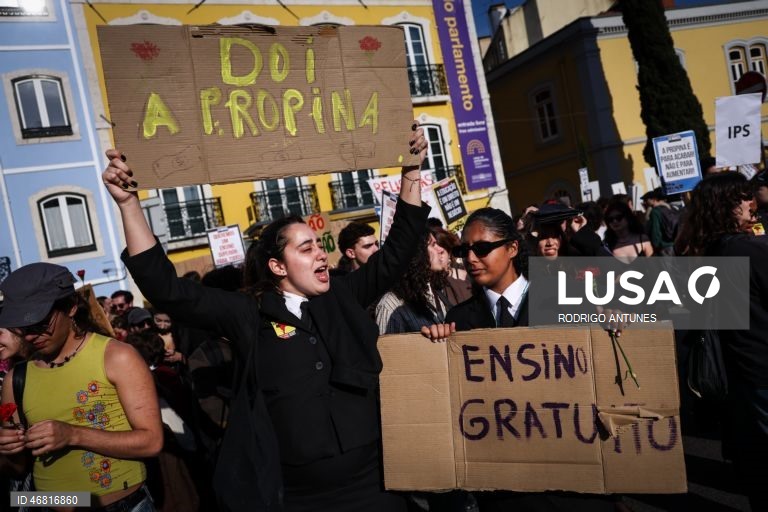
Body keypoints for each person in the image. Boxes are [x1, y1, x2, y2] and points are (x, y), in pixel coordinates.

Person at [102, 123, 430, 512]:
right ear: (277, 266)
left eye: (320, 247)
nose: (321, 255)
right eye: (306, 248)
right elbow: (166, 290)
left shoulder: (343, 295)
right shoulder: (247, 313)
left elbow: (397, 251)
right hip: (298, 498)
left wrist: (411, 172)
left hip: (376, 487)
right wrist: (128, 204)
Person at [423, 208, 618, 512]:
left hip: (574, 483)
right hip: (505, 491)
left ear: (512, 248)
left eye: (483, 248)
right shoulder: (458, 320)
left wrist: (614, 323)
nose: (471, 258)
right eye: (464, 250)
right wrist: (436, 347)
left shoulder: (567, 300)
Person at [0, 263, 162, 511]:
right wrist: (8, 451)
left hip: (122, 505)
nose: (31, 336)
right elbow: (17, 469)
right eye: (22, 328)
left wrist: (73, 434)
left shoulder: (117, 357)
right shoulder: (17, 378)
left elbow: (152, 442)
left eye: (40, 323)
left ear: (72, 307)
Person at [678, 172, 768, 511]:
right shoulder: (750, 249)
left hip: (736, 376)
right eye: (743, 196)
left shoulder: (707, 253)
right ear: (725, 206)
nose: (751, 201)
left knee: (757, 466)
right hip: (760, 368)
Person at [375, 232, 451, 334]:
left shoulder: (436, 288)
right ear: (417, 253)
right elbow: (386, 348)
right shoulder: (390, 304)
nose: (441, 249)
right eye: (433, 245)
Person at [641, 188, 680, 255]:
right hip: (675, 242)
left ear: (653, 200)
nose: (644, 202)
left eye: (646, 200)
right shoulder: (670, 207)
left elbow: (655, 231)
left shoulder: (655, 211)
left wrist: (656, 246)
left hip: (664, 246)